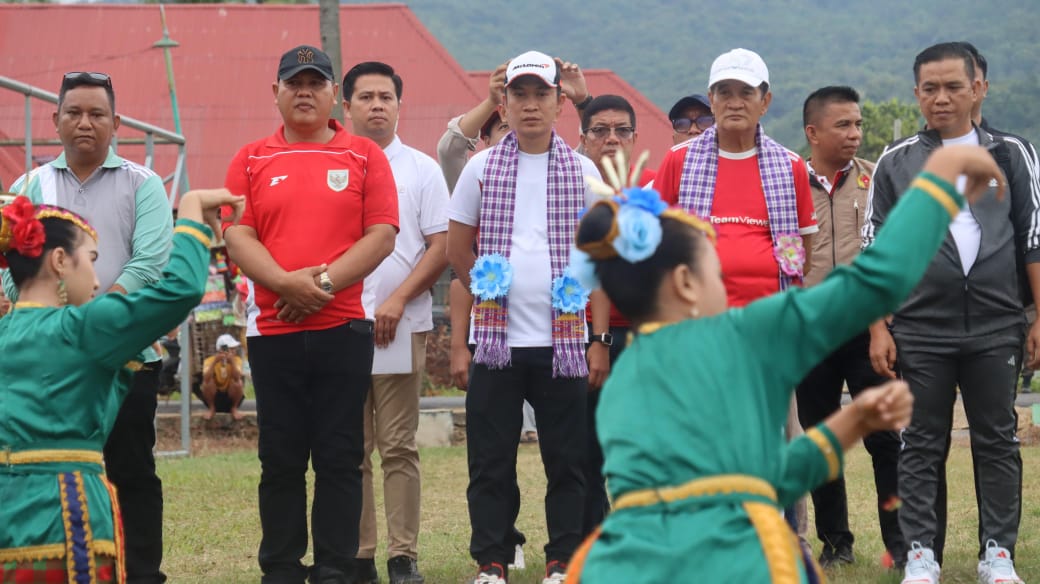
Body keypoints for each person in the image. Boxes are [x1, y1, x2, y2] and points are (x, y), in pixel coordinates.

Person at [564, 144, 1005, 583]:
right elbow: (875, 282)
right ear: (685, 283)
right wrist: (937, 182)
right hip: (738, 561)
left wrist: (851, 423)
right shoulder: (749, 333)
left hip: (618, 565)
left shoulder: (625, 381)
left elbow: (747, 483)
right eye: (714, 271)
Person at [862, 42, 1040, 584]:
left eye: (953, 87)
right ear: (917, 93)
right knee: (920, 441)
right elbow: (876, 250)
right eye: (930, 89)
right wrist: (877, 326)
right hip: (920, 328)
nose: (941, 99)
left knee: (997, 439)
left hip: (996, 324)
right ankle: (921, 554)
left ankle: (997, 554)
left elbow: (1033, 240)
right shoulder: (896, 162)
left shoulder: (1013, 154)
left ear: (977, 88)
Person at [0, 188, 242, 583]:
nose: (96, 280)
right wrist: (193, 207)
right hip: (63, 516)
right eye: (91, 261)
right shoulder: (84, 327)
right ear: (60, 261)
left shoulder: (6, 333)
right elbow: (179, 289)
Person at [223, 45, 399, 584]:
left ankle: (334, 566)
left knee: (340, 455)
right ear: (275, 92)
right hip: (273, 331)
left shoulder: (365, 155)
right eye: (293, 83)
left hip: (342, 328)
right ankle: (279, 565)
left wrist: (319, 284)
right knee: (280, 456)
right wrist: (282, 284)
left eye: (315, 83)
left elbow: (382, 234)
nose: (304, 91)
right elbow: (236, 233)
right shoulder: (251, 158)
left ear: (333, 96)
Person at [6, 70, 175, 584]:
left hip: (124, 357)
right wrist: (54, 324)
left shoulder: (144, 183)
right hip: (45, 359)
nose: (85, 123)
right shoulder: (28, 186)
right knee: (43, 468)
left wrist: (99, 324)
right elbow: (12, 269)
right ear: (54, 120)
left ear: (116, 122)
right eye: (74, 112)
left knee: (132, 471)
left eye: (97, 113)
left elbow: (150, 264)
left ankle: (142, 574)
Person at [446, 49, 604, 584]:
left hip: (563, 343)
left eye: (542, 94)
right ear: (504, 102)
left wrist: (597, 338)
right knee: (490, 461)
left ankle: (562, 560)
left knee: (568, 460)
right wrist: (488, 301)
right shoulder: (480, 167)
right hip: (498, 342)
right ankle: (491, 562)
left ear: (560, 103)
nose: (530, 105)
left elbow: (600, 260)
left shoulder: (583, 171)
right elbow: (457, 250)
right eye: (520, 94)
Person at [343, 60, 450, 584]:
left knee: (399, 444)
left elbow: (441, 246)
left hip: (401, 324)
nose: (377, 105)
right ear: (348, 106)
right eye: (366, 97)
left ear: (399, 105)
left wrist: (397, 299)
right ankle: (359, 555)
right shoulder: (331, 163)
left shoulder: (422, 169)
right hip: (339, 322)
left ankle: (402, 555)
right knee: (350, 446)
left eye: (386, 96)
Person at [795, 85, 906, 568]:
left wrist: (883, 325)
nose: (855, 134)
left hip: (870, 331)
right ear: (812, 132)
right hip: (811, 332)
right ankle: (836, 543)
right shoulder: (787, 183)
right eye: (843, 125)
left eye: (858, 124)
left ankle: (902, 543)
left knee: (886, 437)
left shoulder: (876, 181)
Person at [575, 94, 656, 536]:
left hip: (640, 337)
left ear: (635, 137)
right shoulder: (567, 185)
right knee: (586, 449)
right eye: (599, 130)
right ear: (582, 138)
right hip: (579, 333)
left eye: (621, 130)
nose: (611, 139)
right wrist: (597, 341)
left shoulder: (653, 191)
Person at [200, 332, 245, 420]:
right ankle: (212, 408)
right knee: (208, 382)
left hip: (230, 396)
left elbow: (237, 377)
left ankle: (234, 408)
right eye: (230, 349)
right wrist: (215, 362)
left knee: (238, 383)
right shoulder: (209, 360)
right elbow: (206, 379)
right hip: (215, 396)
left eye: (234, 349)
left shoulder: (236, 360)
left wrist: (232, 362)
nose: (233, 351)